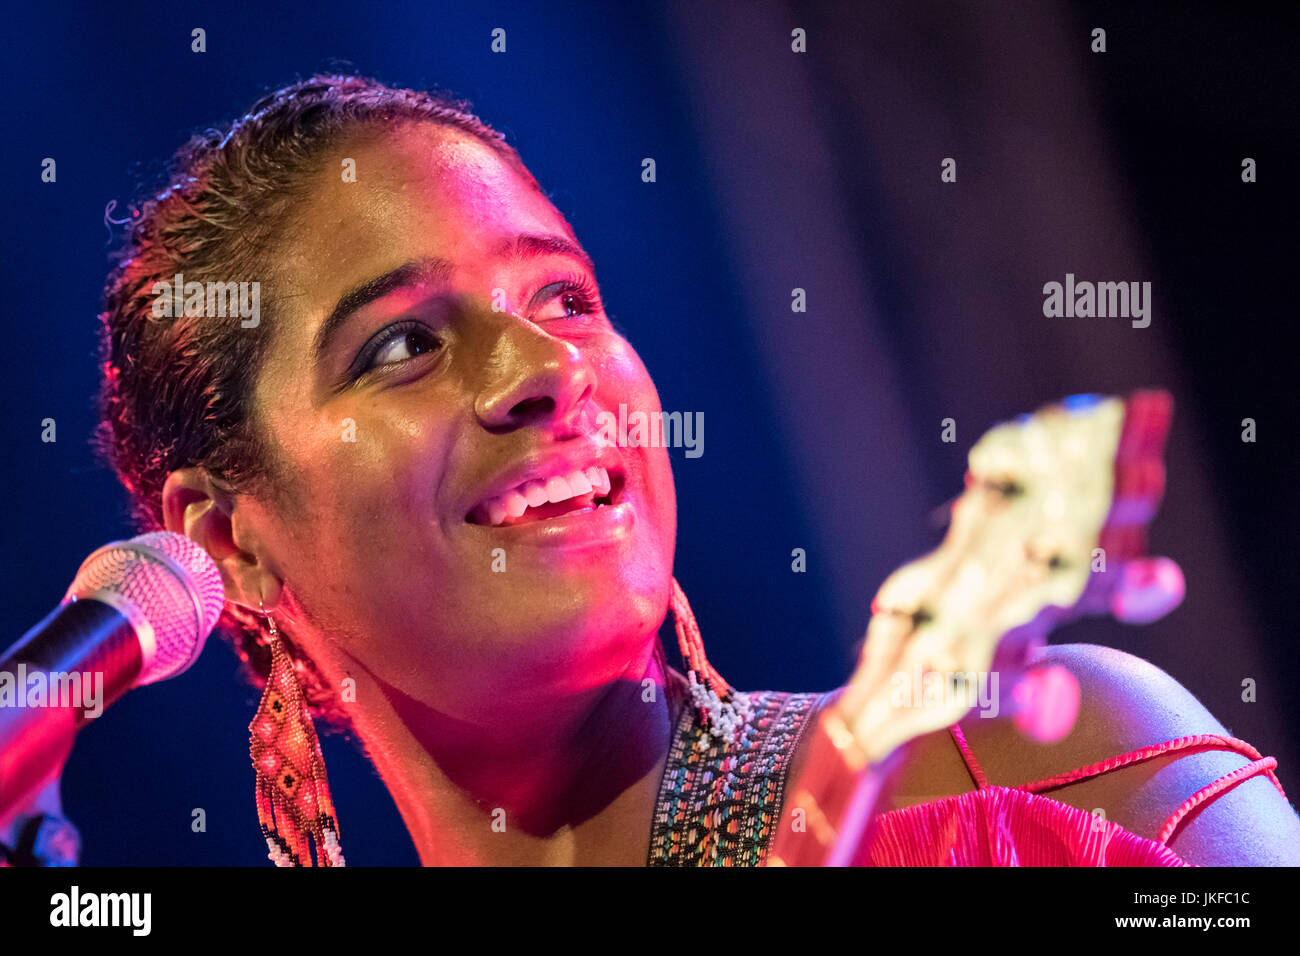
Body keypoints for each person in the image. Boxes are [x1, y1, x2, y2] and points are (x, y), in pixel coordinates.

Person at [83, 73, 1299, 866]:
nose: (546, 368)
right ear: (230, 540)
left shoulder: (1054, 762)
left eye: (564, 295)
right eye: (400, 344)